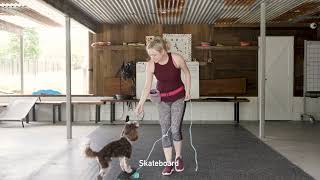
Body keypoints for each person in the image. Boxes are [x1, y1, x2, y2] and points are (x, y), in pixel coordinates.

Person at [135, 36, 191, 176]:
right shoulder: (151, 65)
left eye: (154, 54)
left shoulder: (176, 59)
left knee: (175, 128)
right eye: (150, 55)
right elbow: (147, 86)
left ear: (163, 51)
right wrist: (141, 103)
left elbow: (187, 73)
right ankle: (168, 163)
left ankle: (178, 158)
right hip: (162, 100)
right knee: (165, 131)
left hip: (178, 97)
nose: (152, 57)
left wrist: (188, 90)